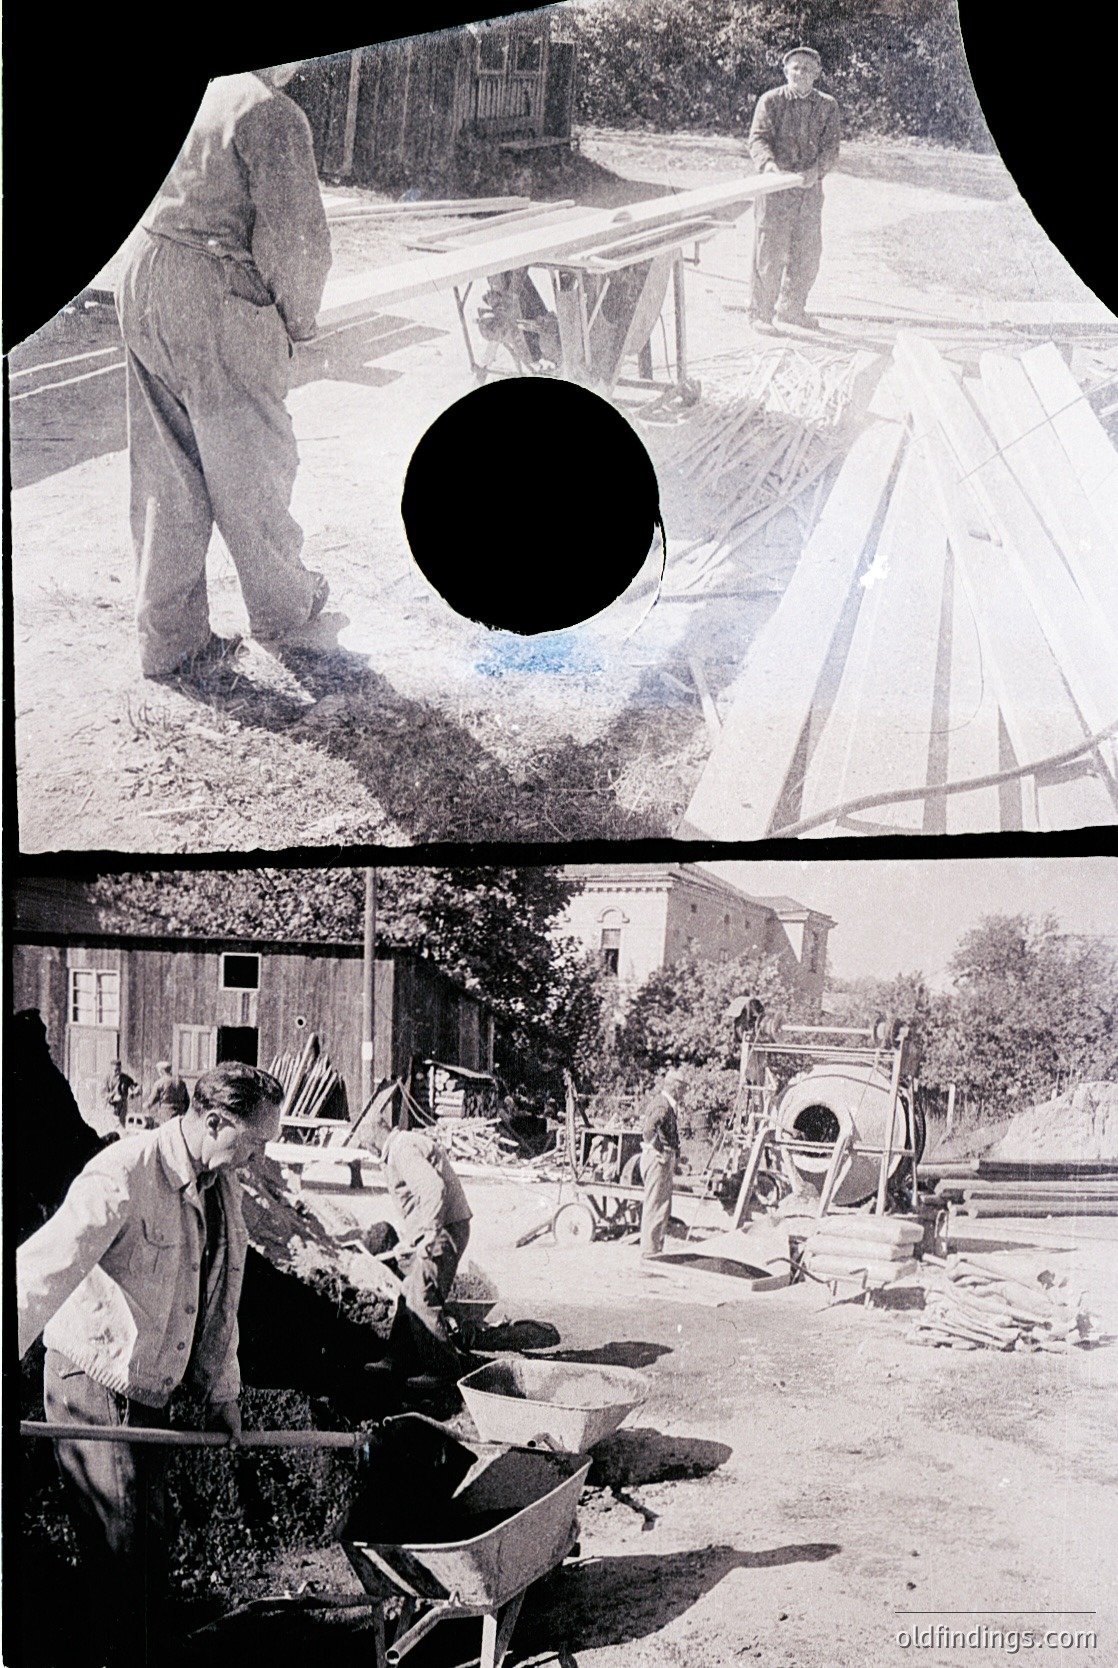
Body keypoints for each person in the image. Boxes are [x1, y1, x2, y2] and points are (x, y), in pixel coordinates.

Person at [17, 1063, 284, 1666]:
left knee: (146, 1547)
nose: (257, 1158)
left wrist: (223, 1393)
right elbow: (40, 1269)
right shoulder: (124, 1174)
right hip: (93, 1380)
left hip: (148, 1388)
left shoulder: (222, 1189)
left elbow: (221, 1295)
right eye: (255, 1142)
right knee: (123, 1549)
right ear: (215, 1121)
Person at [115, 63, 333, 679]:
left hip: (145, 270)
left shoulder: (208, 90)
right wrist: (297, 323)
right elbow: (298, 242)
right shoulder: (271, 112)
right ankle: (285, 609)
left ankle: (170, 640)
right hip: (209, 287)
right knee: (252, 456)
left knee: (167, 468)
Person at [747, 46, 841, 333]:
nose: (801, 73)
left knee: (807, 253)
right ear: (785, 71)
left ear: (817, 74)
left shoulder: (827, 106)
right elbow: (758, 139)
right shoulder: (771, 101)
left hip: (809, 191)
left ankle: (792, 309)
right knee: (769, 253)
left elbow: (831, 148)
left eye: (807, 69)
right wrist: (768, 167)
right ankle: (760, 315)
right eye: (796, 68)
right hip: (775, 191)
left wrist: (816, 173)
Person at [371, 1117, 473, 1376]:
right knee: (409, 1291)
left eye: (364, 1142)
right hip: (441, 1226)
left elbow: (432, 1189)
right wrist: (409, 1241)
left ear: (374, 1134)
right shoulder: (399, 1147)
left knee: (422, 1296)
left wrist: (429, 1233)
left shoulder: (402, 1149)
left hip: (445, 1229)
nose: (365, 1149)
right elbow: (418, 1203)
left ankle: (444, 1374)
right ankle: (398, 1359)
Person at [10, 1009, 106, 1242]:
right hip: (37, 1196)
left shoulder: (44, 1076)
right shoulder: (44, 1078)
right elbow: (74, 1131)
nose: (47, 1047)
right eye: (40, 1040)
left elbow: (75, 1128)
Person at [639, 1068, 684, 1258]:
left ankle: (655, 1249)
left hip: (660, 1160)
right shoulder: (663, 1105)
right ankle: (650, 1252)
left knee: (660, 1206)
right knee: (655, 1206)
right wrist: (661, 1150)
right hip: (657, 1160)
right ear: (675, 1087)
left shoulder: (665, 1104)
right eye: (684, 1088)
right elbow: (649, 1130)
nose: (685, 1093)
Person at [103, 1058, 138, 1127]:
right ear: (111, 1069)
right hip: (111, 1106)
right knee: (112, 1125)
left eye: (119, 1070)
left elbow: (135, 1086)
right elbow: (103, 1093)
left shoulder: (125, 1078)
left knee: (122, 1124)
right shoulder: (107, 1078)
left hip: (122, 1105)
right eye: (115, 1070)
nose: (118, 1072)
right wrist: (112, 1097)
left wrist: (134, 1092)